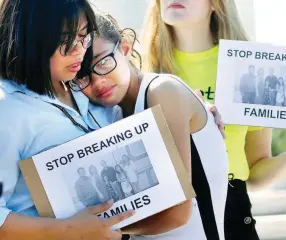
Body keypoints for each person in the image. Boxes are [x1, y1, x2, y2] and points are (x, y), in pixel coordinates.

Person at [141, 0, 286, 239]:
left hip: (232, 208)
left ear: (216, 4)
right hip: (167, 211)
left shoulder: (250, 64)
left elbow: (255, 174)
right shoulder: (139, 67)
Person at [70, 13, 228, 240]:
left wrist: (95, 230)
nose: (98, 81)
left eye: (103, 61)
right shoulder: (110, 116)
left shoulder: (162, 91)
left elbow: (178, 213)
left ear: (124, 47)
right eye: (82, 76)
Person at [0, 1, 134, 239]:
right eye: (66, 40)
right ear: (32, 40)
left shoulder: (84, 85)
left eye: (84, 36)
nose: (79, 50)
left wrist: (194, 107)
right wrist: (68, 231)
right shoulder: (8, 110)